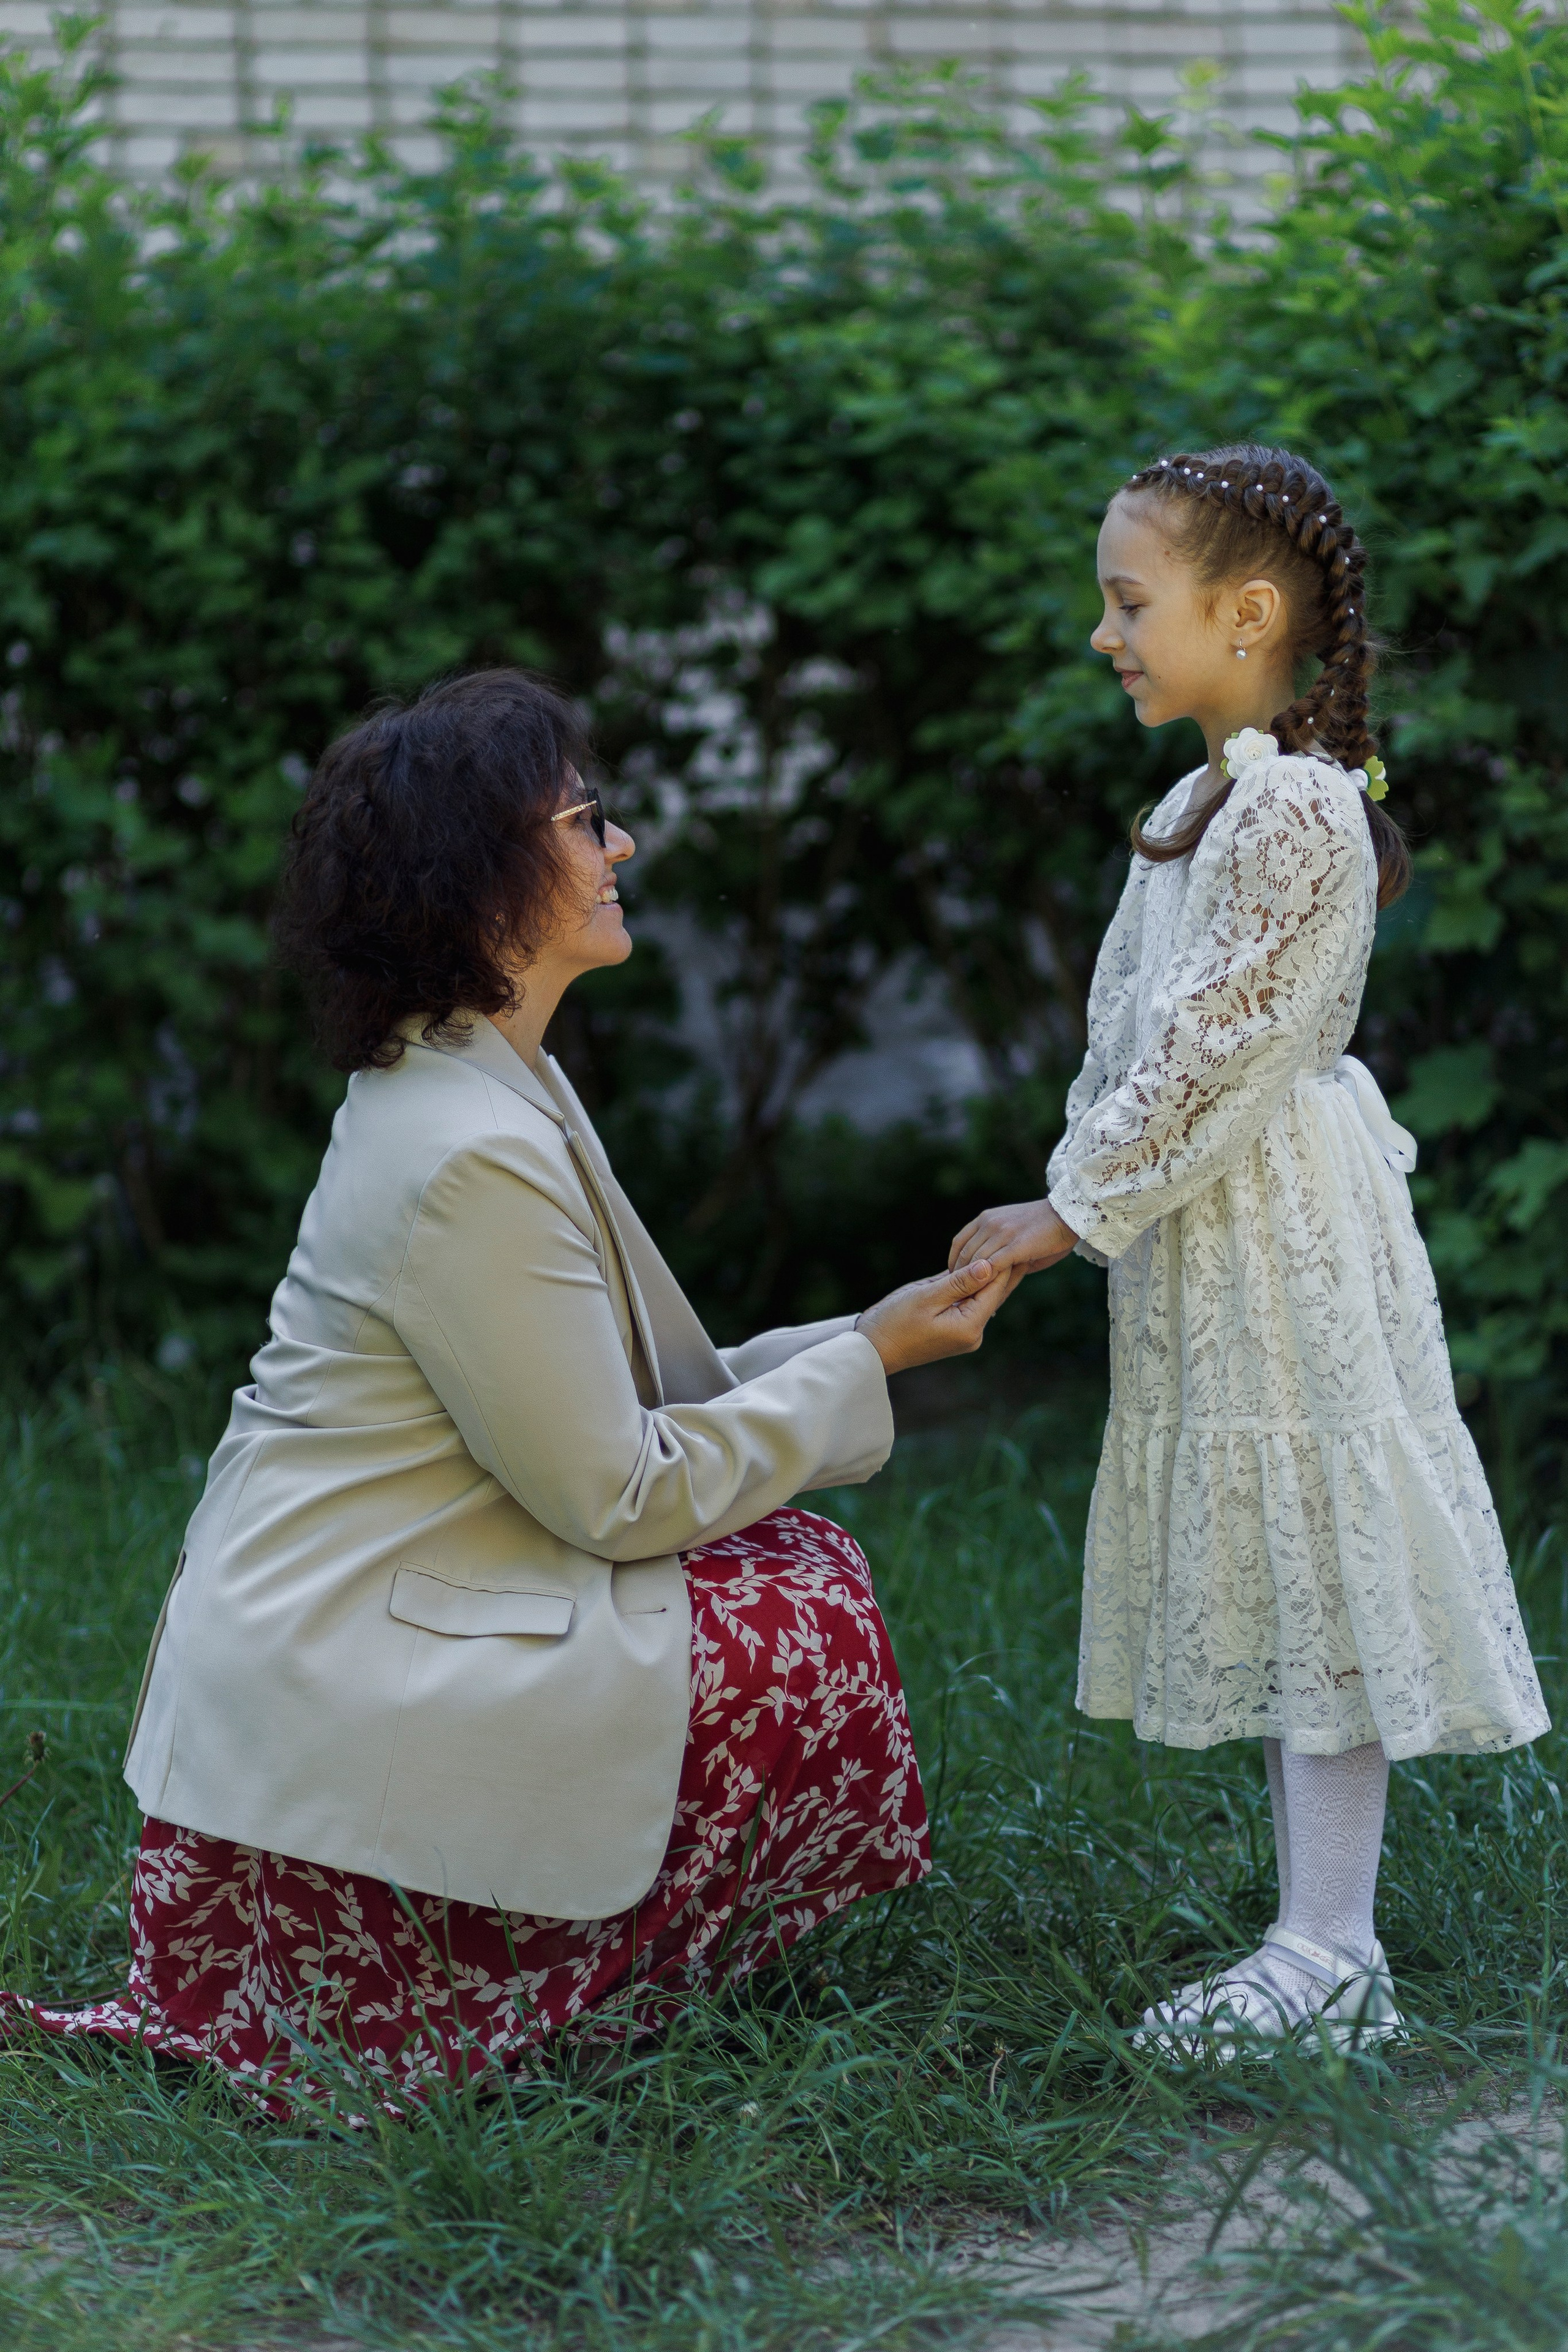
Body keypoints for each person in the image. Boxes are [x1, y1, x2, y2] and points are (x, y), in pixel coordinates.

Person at [4, 668, 1013, 2101]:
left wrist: (865, 1330)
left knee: (788, 1556)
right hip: (339, 1651)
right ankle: (511, 1994)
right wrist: (875, 1359)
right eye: (587, 820)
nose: (622, 850)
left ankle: (563, 1972)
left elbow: (644, 1397)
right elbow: (617, 1491)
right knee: (796, 1607)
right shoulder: (465, 1144)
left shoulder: (480, 1081)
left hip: (347, 1613)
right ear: (480, 883)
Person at [949, 443, 1549, 2051]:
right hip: (1208, 1221)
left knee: (1314, 1551)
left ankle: (1334, 1952)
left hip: (1276, 1216)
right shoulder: (1201, 798)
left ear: (1250, 610)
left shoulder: (1287, 806)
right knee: (1282, 1556)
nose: (1107, 635)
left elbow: (1219, 1052)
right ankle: (1314, 1942)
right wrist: (1075, 1182)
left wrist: (1069, 1208)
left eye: (1131, 602)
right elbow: (1128, 1042)